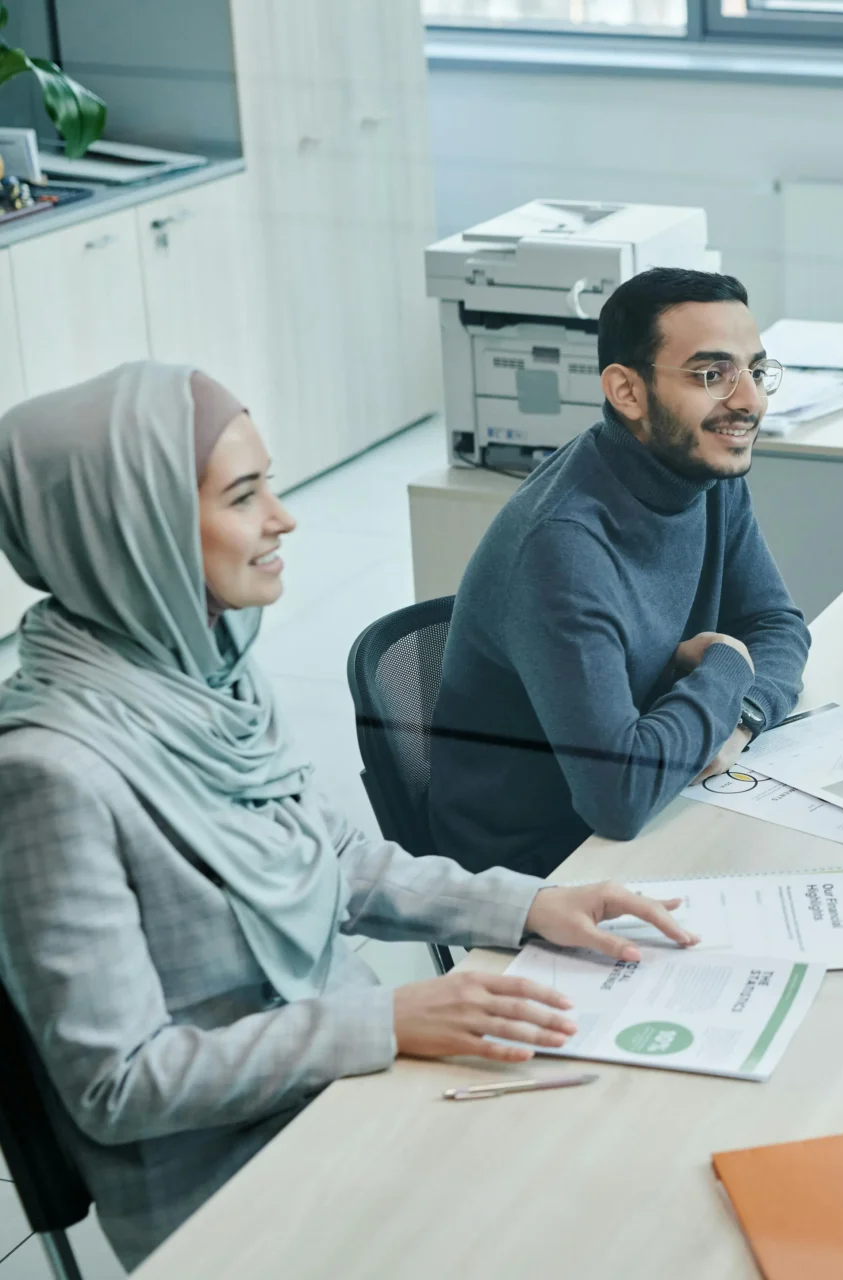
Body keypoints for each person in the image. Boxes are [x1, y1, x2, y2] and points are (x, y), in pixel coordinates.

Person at [0, 363, 699, 1270]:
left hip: (346, 1094)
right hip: (242, 1189)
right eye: (244, 497)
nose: (283, 519)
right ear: (131, 531)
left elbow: (337, 863)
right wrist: (387, 1022)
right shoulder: (46, 773)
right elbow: (120, 1085)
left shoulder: (204, 671)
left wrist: (529, 907)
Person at [428, 267, 810, 877]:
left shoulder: (702, 473)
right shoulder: (562, 547)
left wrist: (738, 716)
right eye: (713, 375)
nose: (749, 401)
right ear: (627, 392)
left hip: (672, 798)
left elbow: (778, 626)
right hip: (546, 872)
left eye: (755, 372)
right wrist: (728, 668)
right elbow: (619, 797)